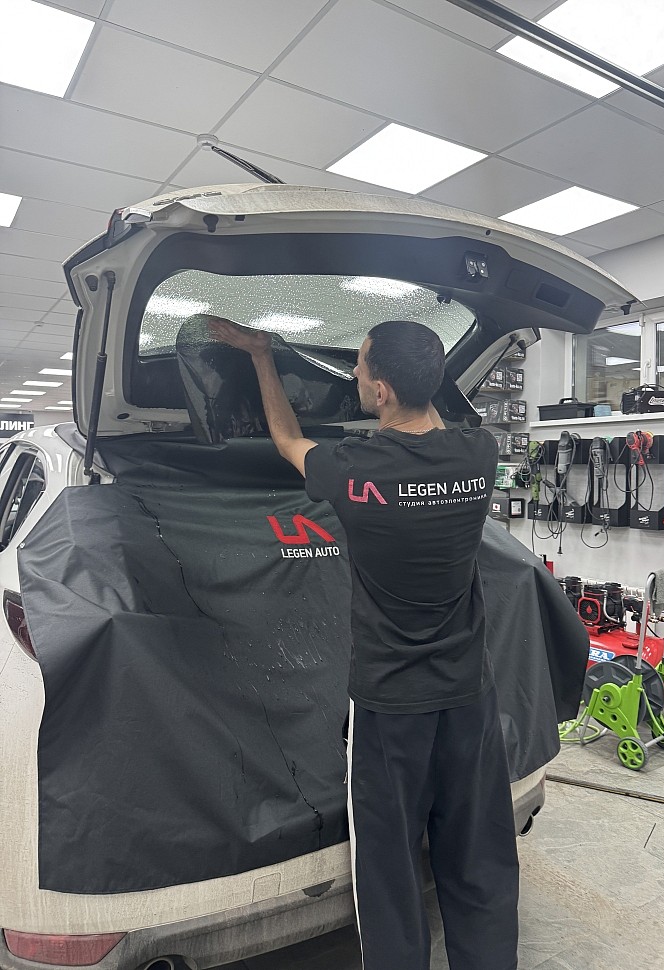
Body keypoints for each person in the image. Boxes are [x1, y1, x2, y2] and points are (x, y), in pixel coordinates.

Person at [207, 315, 519, 970]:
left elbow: (286, 438)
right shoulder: (479, 454)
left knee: (390, 863)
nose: (352, 372)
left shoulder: (351, 471)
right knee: (479, 854)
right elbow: (440, 417)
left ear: (380, 390)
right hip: (468, 696)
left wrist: (262, 356)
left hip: (390, 705)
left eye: (360, 364)